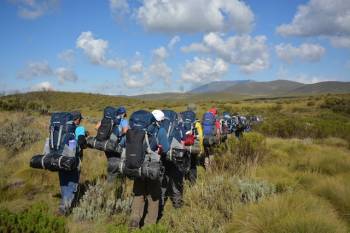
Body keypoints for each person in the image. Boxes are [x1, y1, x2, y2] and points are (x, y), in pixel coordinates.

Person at [129, 109, 170, 229]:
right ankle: (149, 225)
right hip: (152, 167)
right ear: (159, 121)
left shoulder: (135, 130)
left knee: (138, 194)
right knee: (154, 196)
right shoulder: (160, 130)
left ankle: (134, 221)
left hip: (136, 166)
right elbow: (166, 149)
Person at [58, 111, 87, 215]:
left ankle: (63, 204)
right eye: (80, 119)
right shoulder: (79, 128)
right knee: (72, 183)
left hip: (60, 159)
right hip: (73, 160)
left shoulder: (62, 128)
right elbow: (80, 144)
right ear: (78, 119)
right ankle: (64, 209)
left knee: (64, 182)